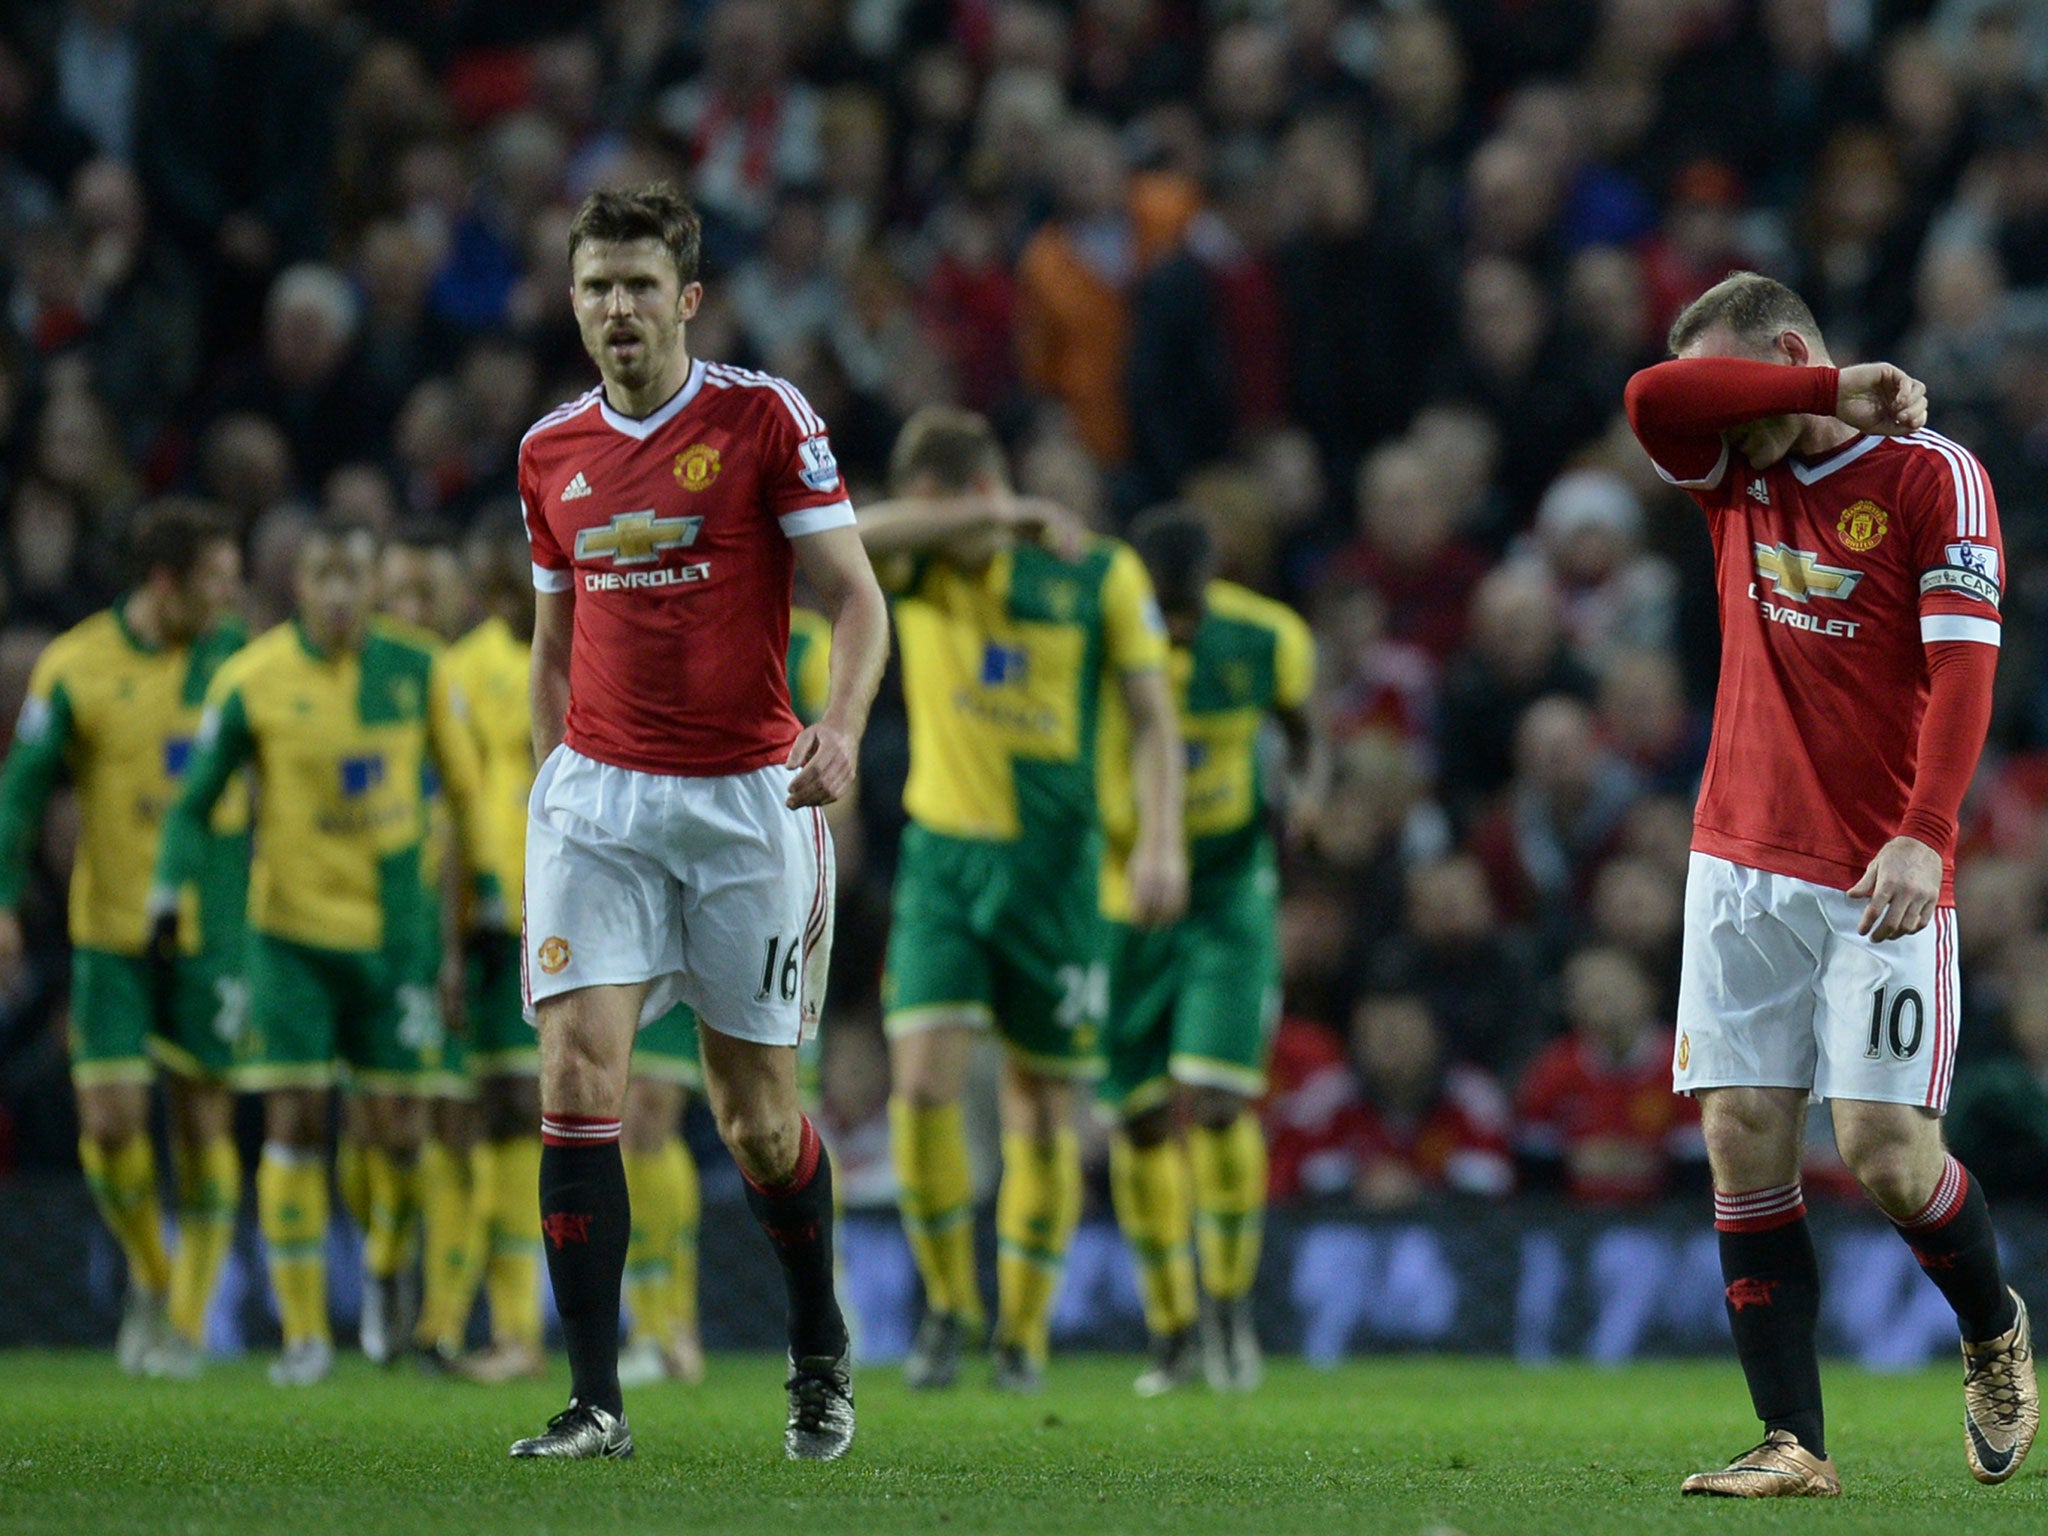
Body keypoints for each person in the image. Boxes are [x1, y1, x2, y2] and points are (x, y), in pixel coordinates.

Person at [1624, 270, 2037, 1496]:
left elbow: (1966, 673)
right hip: (1735, 859)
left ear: (1789, 348)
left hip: (1878, 870)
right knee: (1739, 1139)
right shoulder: (1728, 465)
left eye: (1742, 389)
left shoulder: (1932, 475)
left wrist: (1926, 832)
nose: (1721, 420)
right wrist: (1817, 392)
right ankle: (1792, 1443)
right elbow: (1651, 396)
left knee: (1881, 1150)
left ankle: (1992, 1334)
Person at [512, 184, 888, 1462]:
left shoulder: (761, 419)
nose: (615, 308)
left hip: (747, 798)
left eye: (636, 285)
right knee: (574, 1075)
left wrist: (836, 728)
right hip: (599, 803)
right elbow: (552, 639)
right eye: (593, 287)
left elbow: (856, 599)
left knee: (753, 1123)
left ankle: (818, 1353)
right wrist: (540, 787)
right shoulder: (546, 451)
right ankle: (595, 1401)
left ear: (685, 299)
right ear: (573, 305)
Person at [859, 406, 1185, 1394]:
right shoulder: (922, 571)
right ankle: (948, 1309)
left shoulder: (1101, 574)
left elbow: (1150, 719)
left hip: (1056, 870)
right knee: (917, 1085)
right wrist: (990, 518)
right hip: (942, 864)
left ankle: (1022, 1336)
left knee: (1042, 1106)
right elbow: (842, 536)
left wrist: (1159, 843)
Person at [150, 521, 492, 1388]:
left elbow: (466, 787)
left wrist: (481, 895)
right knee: (295, 1126)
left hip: (396, 938)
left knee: (401, 1135)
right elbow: (195, 804)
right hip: (290, 940)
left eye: (354, 577)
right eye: (324, 577)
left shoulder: (418, 669)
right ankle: (303, 1334)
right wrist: (167, 889)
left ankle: (383, 1269)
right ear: (300, 586)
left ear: (372, 585)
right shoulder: (252, 678)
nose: (340, 595)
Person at [0, 500, 247, 1377]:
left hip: (215, 931)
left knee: (204, 1120)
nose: (230, 596)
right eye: (215, 582)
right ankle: (152, 1276)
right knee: (108, 1126)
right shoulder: (76, 666)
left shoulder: (239, 662)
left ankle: (183, 1322)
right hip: (110, 930)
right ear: (165, 582)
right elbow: (22, 791)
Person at [1096, 505, 1323, 1397]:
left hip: (1230, 887)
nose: (1179, 628)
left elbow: (1306, 729)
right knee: (1140, 1120)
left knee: (1221, 1101)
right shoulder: (1100, 636)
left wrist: (1304, 793)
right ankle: (1172, 1331)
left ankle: (1230, 1310)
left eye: (1188, 609)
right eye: (1164, 610)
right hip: (1120, 895)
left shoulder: (1266, 638)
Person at [436, 528, 549, 1384]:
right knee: (475, 1114)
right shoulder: (462, 670)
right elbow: (457, 798)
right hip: (482, 917)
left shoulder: (579, 648)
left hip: (554, 905)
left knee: (521, 1108)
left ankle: (516, 1332)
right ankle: (455, 1319)